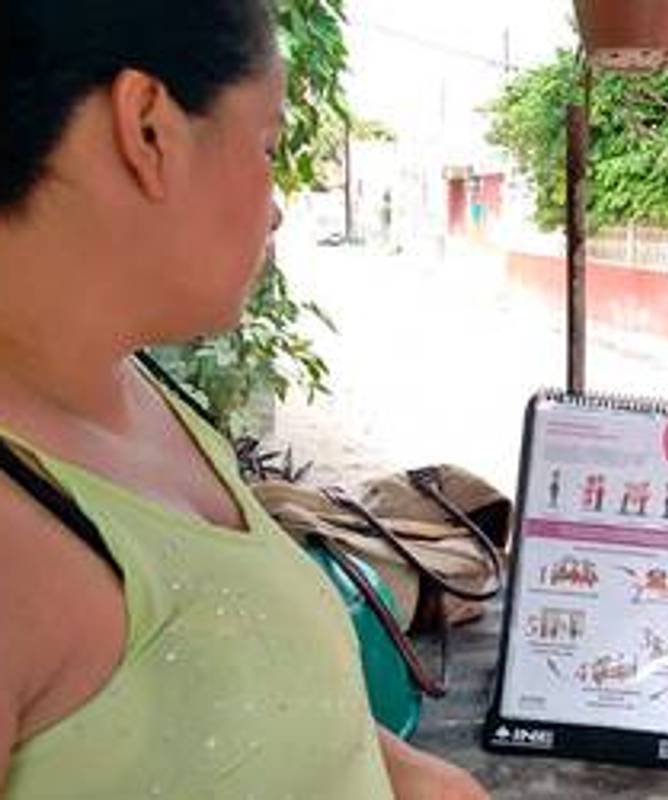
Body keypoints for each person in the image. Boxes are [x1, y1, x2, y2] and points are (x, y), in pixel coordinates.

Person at [0, 2, 485, 798]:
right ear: (148, 128)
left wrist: (397, 771)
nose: (277, 204)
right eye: (267, 145)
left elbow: (217, 694)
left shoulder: (138, 390)